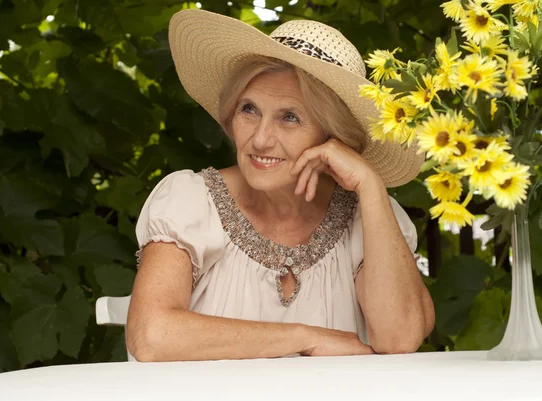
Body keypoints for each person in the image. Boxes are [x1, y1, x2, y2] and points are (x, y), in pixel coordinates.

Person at [127, 9, 435, 362]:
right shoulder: (191, 201)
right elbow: (152, 335)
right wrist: (304, 338)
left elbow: (400, 337)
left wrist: (370, 184)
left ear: (332, 136)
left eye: (289, 117)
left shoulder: (368, 217)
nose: (260, 139)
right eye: (249, 109)